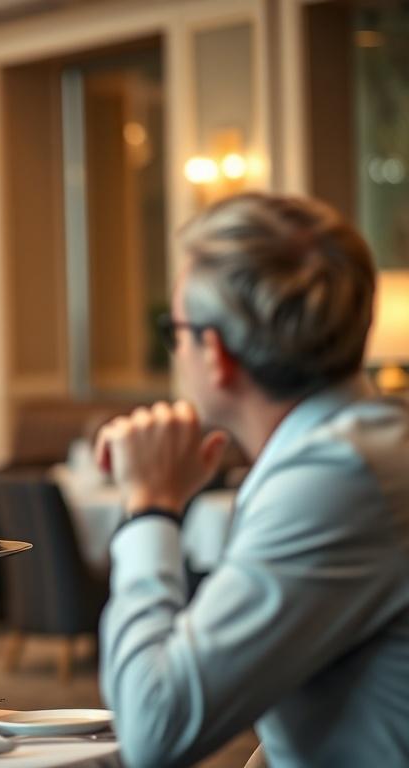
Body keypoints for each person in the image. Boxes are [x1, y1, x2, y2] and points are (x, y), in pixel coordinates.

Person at [94, 192, 409, 767]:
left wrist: (151, 509)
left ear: (214, 353)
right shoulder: (360, 443)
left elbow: (153, 728)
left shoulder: (333, 479)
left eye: (176, 330)